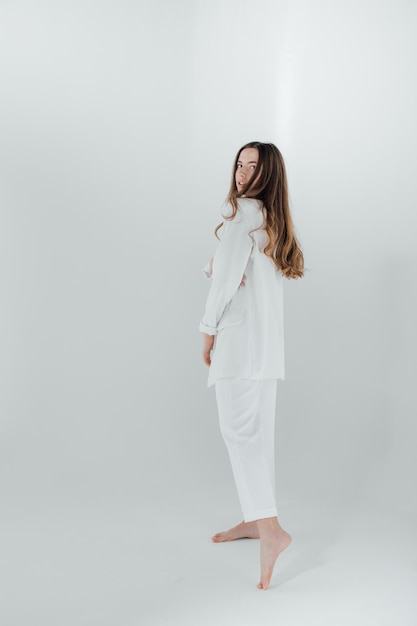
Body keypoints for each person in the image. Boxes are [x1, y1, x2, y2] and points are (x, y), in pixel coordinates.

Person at [199, 141, 304, 590]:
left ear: (268, 174)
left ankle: (271, 529)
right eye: (239, 164)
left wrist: (207, 329)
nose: (241, 173)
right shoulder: (271, 219)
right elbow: (233, 270)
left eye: (252, 166)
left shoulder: (244, 213)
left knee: (239, 433)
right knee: (254, 433)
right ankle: (254, 519)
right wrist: (219, 266)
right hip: (266, 351)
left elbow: (224, 279)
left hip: (240, 345)